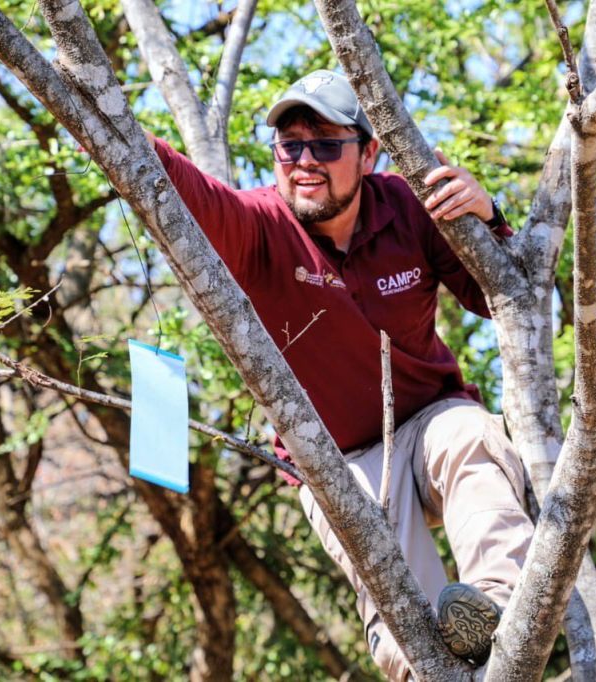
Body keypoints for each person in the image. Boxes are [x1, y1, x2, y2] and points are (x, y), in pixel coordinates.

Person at [147, 70, 534, 680]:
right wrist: (103, 115)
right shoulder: (260, 226)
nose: (305, 161)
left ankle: (498, 615)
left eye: (326, 145)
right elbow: (181, 185)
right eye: (289, 145)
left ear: (370, 152)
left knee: (471, 435)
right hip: (338, 463)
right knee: (405, 610)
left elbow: (504, 299)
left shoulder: (409, 204)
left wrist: (487, 214)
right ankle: (433, 662)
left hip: (429, 422)